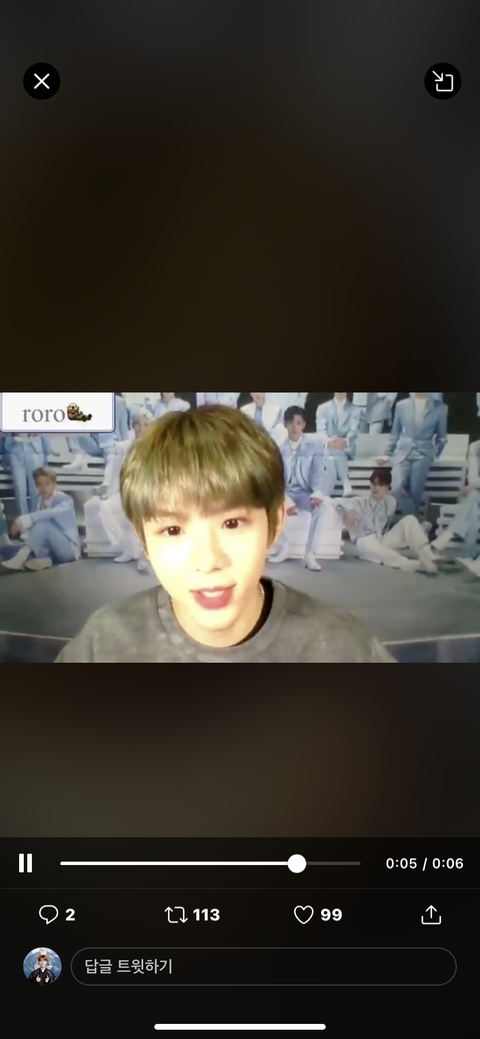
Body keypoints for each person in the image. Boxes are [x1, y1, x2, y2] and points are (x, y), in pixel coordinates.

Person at [55, 405, 395, 662]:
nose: (208, 561)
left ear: (274, 524)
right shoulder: (103, 646)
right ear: (143, 541)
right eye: (172, 530)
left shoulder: (342, 648)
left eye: (232, 523)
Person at [315, 469, 439, 573]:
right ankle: (414, 565)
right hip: (364, 541)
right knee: (383, 553)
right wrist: (349, 509)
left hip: (382, 539)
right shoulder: (359, 502)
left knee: (409, 519)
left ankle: (428, 555)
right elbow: (333, 501)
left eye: (380, 485)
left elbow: (392, 522)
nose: (375, 487)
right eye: (373, 484)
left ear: (387, 488)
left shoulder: (390, 502)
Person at [87, 408, 153, 571]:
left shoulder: (154, 446)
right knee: (106, 508)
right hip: (125, 491)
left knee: (139, 514)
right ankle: (127, 546)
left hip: (146, 492)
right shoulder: (124, 446)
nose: (141, 428)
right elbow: (114, 464)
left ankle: (144, 554)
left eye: (145, 425)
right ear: (133, 426)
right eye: (137, 424)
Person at [267, 406, 327, 571]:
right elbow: (276, 479)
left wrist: (317, 493)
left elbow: (319, 471)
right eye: (291, 423)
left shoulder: (314, 446)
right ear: (285, 424)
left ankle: (310, 554)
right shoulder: (279, 449)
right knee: (268, 504)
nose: (294, 427)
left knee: (322, 508)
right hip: (286, 493)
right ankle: (284, 546)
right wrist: (286, 500)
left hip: (305, 492)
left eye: (298, 423)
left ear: (304, 425)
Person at [377, 392, 449, 516]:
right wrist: (387, 453)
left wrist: (434, 453)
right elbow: (395, 433)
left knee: (415, 493)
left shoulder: (440, 408)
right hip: (402, 453)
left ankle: (410, 525)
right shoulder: (401, 405)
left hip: (423, 454)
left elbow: (442, 438)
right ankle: (415, 521)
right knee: (396, 488)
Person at [1, 467, 81, 572]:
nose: (43, 488)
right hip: (50, 548)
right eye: (39, 484)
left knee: (44, 523)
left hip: (68, 550)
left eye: (47, 484)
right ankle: (44, 558)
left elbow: (50, 513)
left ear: (54, 484)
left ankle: (22, 557)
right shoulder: (38, 500)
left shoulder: (65, 500)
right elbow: (35, 524)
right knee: (8, 550)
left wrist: (24, 519)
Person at [430, 439, 480, 574]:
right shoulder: (476, 447)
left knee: (473, 499)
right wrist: (474, 485)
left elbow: (474, 483)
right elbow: (473, 478)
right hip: (476, 495)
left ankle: (446, 537)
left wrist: (475, 485)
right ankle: (469, 556)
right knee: (474, 502)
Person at [316, 392, 360, 497]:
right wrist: (328, 441)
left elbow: (354, 431)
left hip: (346, 449)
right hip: (328, 448)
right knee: (330, 458)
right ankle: (345, 481)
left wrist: (345, 441)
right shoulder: (322, 408)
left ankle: (325, 494)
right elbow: (320, 430)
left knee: (334, 452)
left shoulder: (355, 410)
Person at [2, 434, 54, 516]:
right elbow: (7, 445)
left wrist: (46, 452)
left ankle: (35, 516)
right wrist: (14, 436)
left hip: (35, 453)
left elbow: (43, 435)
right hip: (16, 455)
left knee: (35, 489)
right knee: (20, 489)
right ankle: (23, 518)